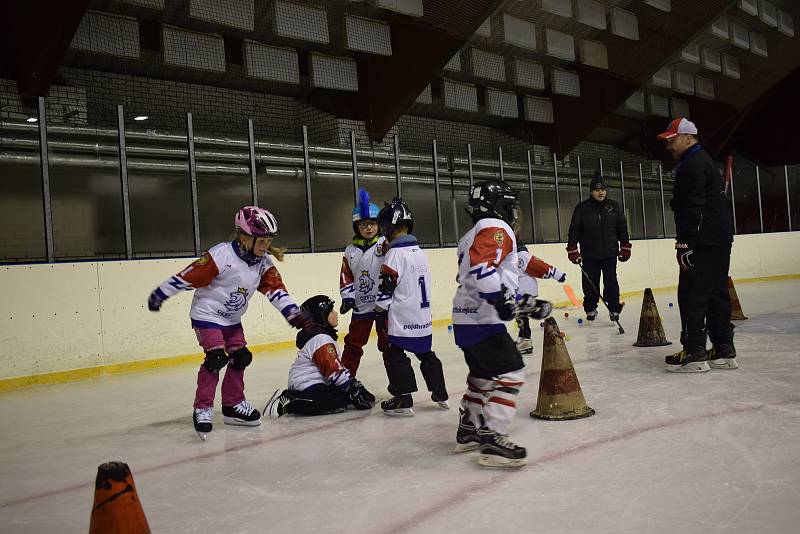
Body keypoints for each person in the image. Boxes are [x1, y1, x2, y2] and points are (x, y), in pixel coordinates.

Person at [147, 206, 312, 439]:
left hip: (232, 320)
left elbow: (276, 291)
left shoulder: (262, 263)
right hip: (207, 316)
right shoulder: (221, 256)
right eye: (262, 241)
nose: (266, 247)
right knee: (215, 359)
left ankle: (232, 405)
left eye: (268, 241)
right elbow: (189, 275)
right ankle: (203, 407)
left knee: (241, 357)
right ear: (245, 237)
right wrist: (162, 293)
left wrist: (292, 313)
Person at [452, 179, 527, 468]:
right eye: (509, 205)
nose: (513, 212)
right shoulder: (496, 229)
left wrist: (513, 300)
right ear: (497, 206)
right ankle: (493, 436)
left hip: (464, 316)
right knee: (512, 372)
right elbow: (484, 269)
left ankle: (469, 428)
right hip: (483, 317)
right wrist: (501, 300)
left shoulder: (470, 234)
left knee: (482, 377)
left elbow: (476, 273)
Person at [657, 117, 736, 372]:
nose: (669, 144)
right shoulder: (703, 162)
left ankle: (694, 351)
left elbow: (693, 208)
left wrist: (685, 244)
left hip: (702, 241)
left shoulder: (692, 164)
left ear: (688, 138)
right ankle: (723, 348)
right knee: (716, 292)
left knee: (692, 293)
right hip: (718, 239)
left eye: (672, 139)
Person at [374, 198, 449, 416]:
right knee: (426, 354)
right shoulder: (419, 252)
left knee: (395, 353)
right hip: (422, 316)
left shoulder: (394, 255)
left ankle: (403, 399)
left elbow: (386, 290)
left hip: (402, 315)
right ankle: (440, 392)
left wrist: (379, 311)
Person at [263, 295, 375, 417]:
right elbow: (333, 368)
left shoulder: (321, 336)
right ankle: (288, 399)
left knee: (342, 397)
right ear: (321, 315)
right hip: (306, 384)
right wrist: (352, 388)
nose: (336, 313)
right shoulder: (320, 338)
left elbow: (336, 368)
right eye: (331, 310)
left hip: (316, 383)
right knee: (333, 402)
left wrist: (354, 386)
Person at [566, 171, 632, 322]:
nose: (600, 192)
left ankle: (614, 308)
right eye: (597, 190)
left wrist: (625, 246)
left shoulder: (614, 206)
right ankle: (590, 309)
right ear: (591, 191)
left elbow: (622, 227)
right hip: (589, 254)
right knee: (590, 283)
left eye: (602, 189)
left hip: (610, 253)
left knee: (611, 282)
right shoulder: (582, 208)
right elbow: (574, 229)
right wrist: (572, 248)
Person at [338, 189, 388, 377]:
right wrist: (348, 297)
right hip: (361, 306)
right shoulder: (350, 250)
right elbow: (346, 275)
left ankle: (398, 387)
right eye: (364, 224)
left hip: (383, 305)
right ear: (356, 227)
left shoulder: (384, 244)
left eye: (373, 224)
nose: (369, 228)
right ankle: (345, 381)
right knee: (352, 345)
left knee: (388, 345)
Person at [515, 242, 567, 354]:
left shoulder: (521, 256)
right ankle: (523, 339)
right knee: (520, 316)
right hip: (522, 290)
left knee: (522, 316)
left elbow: (539, 266)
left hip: (524, 290)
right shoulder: (512, 257)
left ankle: (525, 340)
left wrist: (557, 274)